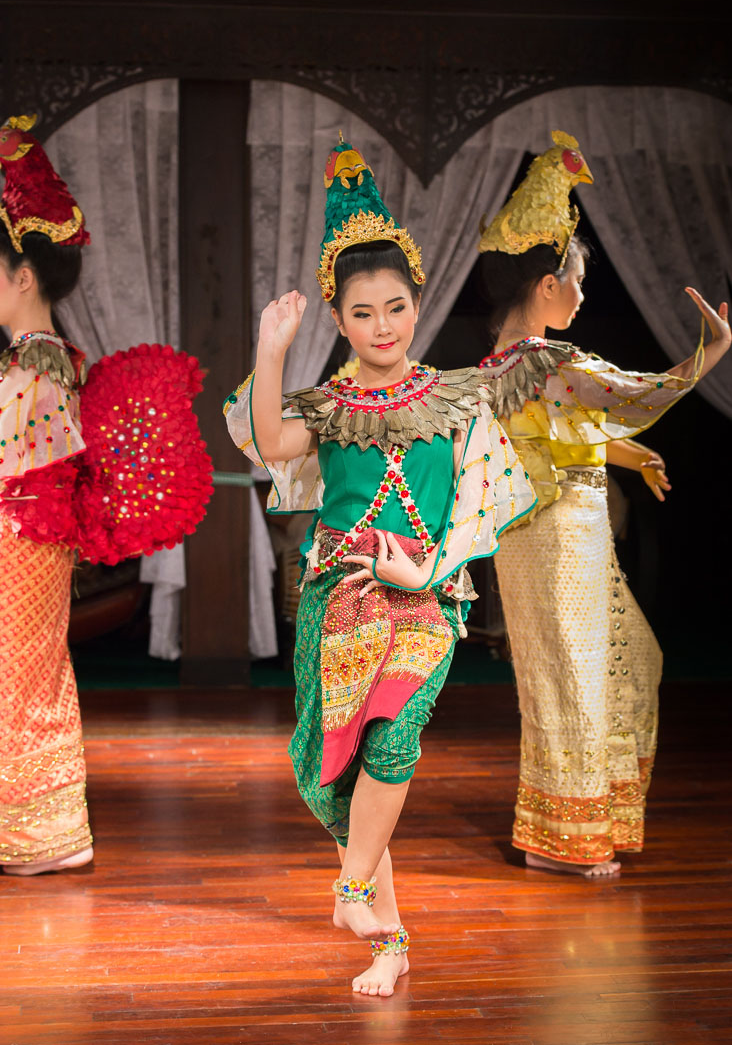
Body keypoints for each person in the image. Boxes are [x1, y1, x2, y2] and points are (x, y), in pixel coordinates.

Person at [225, 137, 536, 995]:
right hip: (338, 598)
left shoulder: (459, 398)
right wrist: (271, 346)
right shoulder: (326, 406)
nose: (384, 328)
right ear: (339, 319)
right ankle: (387, 940)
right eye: (363, 315)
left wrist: (426, 572)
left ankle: (352, 890)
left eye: (395, 307)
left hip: (425, 599)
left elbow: (485, 502)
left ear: (417, 301)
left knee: (396, 737)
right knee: (344, 774)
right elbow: (268, 441)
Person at [477, 130, 730, 878]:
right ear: (547, 284)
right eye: (578, 282)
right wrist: (707, 355)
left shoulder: (506, 360)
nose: (585, 297)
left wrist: (623, 451)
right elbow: (636, 396)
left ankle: (574, 823)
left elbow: (557, 435)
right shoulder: (547, 359)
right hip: (557, 533)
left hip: (550, 533)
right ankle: (564, 838)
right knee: (577, 676)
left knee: (602, 669)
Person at [0, 114, 213, 876]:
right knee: (27, 672)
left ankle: (41, 836)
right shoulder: (43, 357)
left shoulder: (37, 361)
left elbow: (17, 459)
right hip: (28, 534)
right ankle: (40, 831)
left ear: (23, 276)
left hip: (19, 537)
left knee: (18, 674)